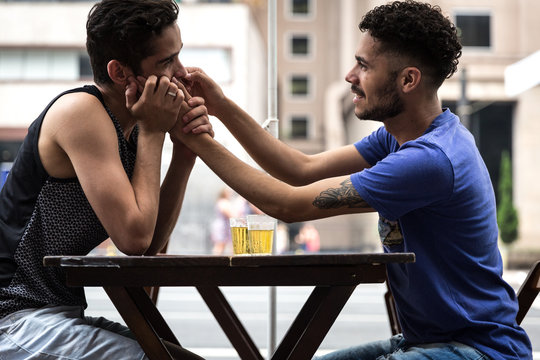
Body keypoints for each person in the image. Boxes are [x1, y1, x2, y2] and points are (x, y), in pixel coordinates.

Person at [173, 1, 533, 359]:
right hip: (425, 342)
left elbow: (285, 204)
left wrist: (193, 138)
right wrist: (219, 105)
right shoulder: (399, 137)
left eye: (363, 66)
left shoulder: (430, 160)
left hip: (478, 351)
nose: (350, 76)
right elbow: (298, 168)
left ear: (408, 79)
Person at [0, 0, 211, 358]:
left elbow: (150, 243)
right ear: (119, 73)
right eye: (165, 62)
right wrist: (154, 130)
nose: (182, 73)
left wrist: (185, 155)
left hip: (57, 314)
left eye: (179, 56)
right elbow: (134, 238)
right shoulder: (82, 113)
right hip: (15, 317)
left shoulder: (130, 130)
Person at [210, 187, 239, 254]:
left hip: (224, 226)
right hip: (222, 227)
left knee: (223, 244)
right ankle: (215, 261)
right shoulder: (223, 202)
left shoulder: (222, 201)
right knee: (220, 245)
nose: (231, 194)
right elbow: (230, 214)